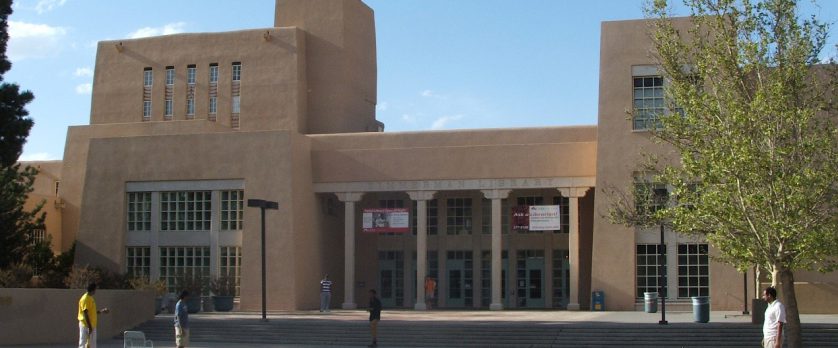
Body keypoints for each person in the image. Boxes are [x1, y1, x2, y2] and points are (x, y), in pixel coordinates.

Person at [78, 282, 109, 348]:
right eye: (95, 289)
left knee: (92, 345)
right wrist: (89, 327)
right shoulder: (85, 299)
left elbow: (92, 312)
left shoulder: (90, 298)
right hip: (86, 325)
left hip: (91, 325)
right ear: (93, 290)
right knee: (83, 344)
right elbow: (85, 313)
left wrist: (102, 311)